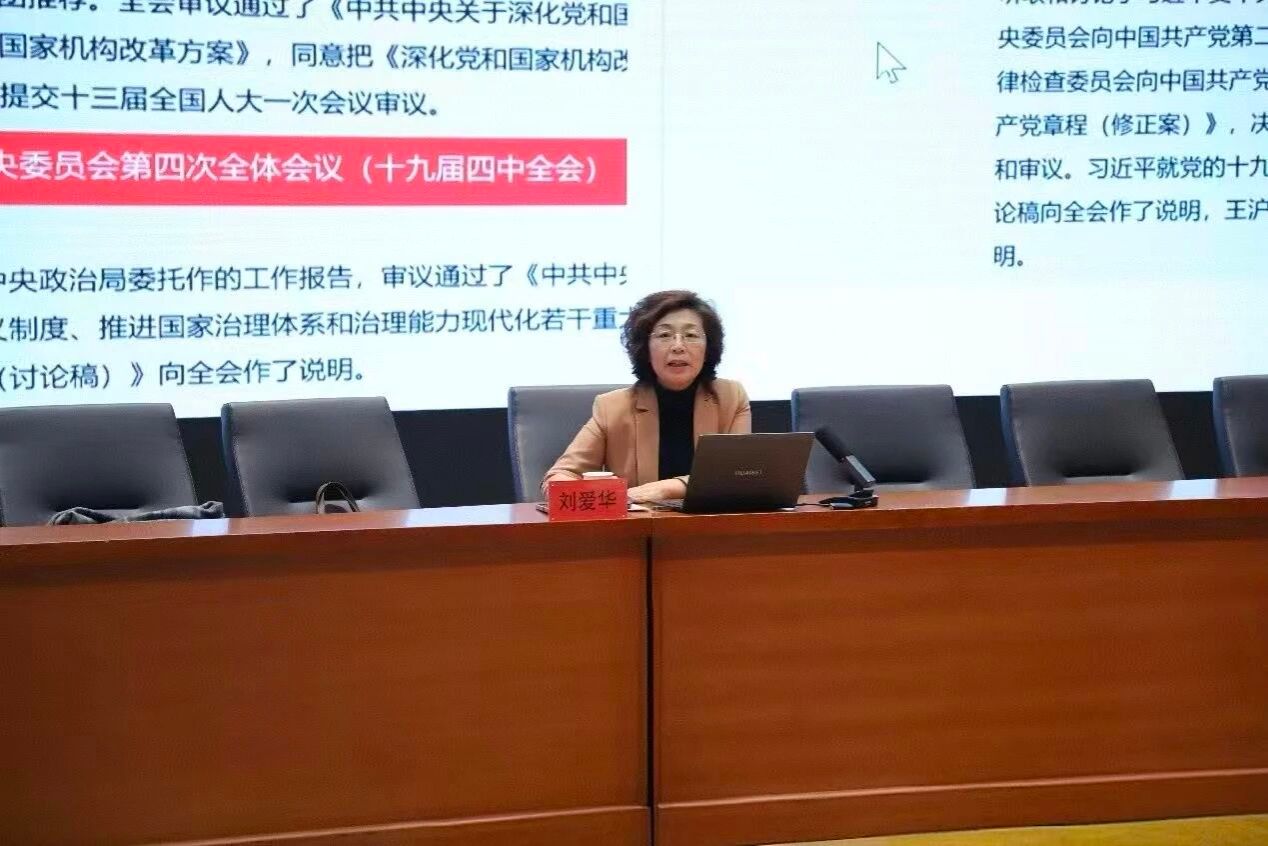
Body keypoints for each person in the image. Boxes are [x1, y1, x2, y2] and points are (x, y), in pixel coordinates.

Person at [543, 290, 751, 502]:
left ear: (708, 348)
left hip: (711, 522)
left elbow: (739, 474)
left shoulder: (730, 398)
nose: (678, 346)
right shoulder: (611, 407)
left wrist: (670, 488)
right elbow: (560, 477)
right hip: (640, 522)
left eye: (691, 335)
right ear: (645, 349)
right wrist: (603, 497)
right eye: (664, 335)